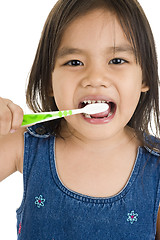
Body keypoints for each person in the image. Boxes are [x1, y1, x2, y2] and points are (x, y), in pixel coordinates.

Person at [0, 0, 160, 239]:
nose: (95, 78)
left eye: (117, 61)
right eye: (74, 62)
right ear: (48, 81)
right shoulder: (23, 145)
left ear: (144, 77)